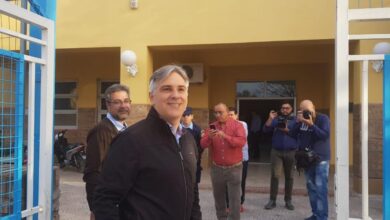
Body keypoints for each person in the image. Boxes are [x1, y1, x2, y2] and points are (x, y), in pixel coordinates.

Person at [93, 65, 201, 220]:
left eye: (181, 89)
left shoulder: (188, 140)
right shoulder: (131, 140)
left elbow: (193, 193)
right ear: (151, 96)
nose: (175, 95)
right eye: (167, 89)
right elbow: (105, 199)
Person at [83, 84, 131, 220]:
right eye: (117, 102)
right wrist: (95, 209)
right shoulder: (101, 131)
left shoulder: (124, 128)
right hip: (107, 208)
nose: (123, 106)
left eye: (126, 101)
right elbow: (93, 172)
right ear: (108, 105)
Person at [201, 103, 246, 220]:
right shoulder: (212, 126)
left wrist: (225, 136)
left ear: (227, 112)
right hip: (217, 169)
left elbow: (241, 142)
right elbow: (202, 144)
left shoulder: (237, 126)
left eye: (220, 112)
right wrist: (209, 137)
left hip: (234, 168)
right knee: (219, 198)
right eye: (215, 112)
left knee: (234, 200)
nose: (217, 115)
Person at [291, 100, 331, 220]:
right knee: (311, 188)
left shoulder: (323, 118)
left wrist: (311, 124)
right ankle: (316, 214)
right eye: (302, 110)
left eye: (307, 110)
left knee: (320, 189)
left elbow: (324, 135)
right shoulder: (301, 120)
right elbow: (292, 134)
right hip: (307, 159)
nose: (305, 112)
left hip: (320, 159)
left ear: (313, 107)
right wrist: (298, 122)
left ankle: (322, 217)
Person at [262, 102, 297, 211]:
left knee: (289, 177)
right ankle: (272, 200)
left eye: (287, 108)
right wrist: (270, 118)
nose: (285, 110)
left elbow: (299, 134)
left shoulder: (296, 120)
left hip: (291, 152)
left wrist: (288, 131)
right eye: (283, 108)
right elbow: (265, 129)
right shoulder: (276, 119)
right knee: (275, 176)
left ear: (291, 109)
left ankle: (288, 200)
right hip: (276, 152)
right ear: (280, 109)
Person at [181, 106, 203, 219]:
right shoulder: (178, 129)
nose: (186, 118)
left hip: (194, 165)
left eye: (188, 115)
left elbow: (201, 147)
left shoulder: (197, 130)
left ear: (192, 116)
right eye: (184, 115)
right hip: (182, 167)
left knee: (194, 193)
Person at [227, 107, 249, 213]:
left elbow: (239, 140)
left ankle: (239, 203)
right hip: (228, 159)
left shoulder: (242, 124)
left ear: (236, 115)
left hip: (242, 158)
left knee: (240, 181)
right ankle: (228, 204)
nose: (230, 117)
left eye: (231, 114)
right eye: (228, 115)